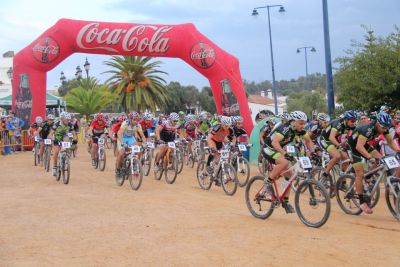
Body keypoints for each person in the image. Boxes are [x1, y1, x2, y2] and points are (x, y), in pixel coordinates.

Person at [261, 111, 315, 213]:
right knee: (284, 162)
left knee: (290, 175)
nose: (303, 125)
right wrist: (284, 153)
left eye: (304, 123)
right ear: (293, 122)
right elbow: (275, 142)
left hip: (278, 149)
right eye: (301, 123)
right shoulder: (285, 128)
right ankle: (267, 183)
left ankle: (285, 201)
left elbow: (308, 141)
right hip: (269, 148)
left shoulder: (300, 130)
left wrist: (313, 152)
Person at [347, 111, 400, 214]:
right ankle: (362, 201)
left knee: (381, 159)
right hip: (353, 146)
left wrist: (398, 150)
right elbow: (358, 147)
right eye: (383, 127)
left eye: (386, 127)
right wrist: (370, 157)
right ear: (377, 123)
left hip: (363, 145)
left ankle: (368, 179)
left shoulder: (383, 128)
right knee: (360, 173)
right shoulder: (368, 129)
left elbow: (390, 142)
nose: (385, 130)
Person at [319, 110, 358, 181]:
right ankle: (325, 174)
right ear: (346, 120)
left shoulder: (350, 126)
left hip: (335, 140)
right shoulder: (338, 123)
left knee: (345, 158)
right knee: (337, 156)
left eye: (355, 121)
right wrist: (340, 146)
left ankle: (343, 181)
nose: (354, 123)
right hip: (325, 139)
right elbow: (331, 138)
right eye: (352, 121)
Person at [115, 112, 146, 177]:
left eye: (137, 120)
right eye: (134, 119)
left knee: (138, 150)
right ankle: (117, 169)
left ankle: (135, 163)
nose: (136, 121)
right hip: (122, 138)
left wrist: (145, 143)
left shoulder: (138, 125)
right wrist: (122, 143)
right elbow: (119, 133)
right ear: (130, 119)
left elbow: (142, 136)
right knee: (121, 153)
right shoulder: (125, 123)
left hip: (130, 138)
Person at [48, 112, 76, 176]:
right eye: (67, 119)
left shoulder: (70, 124)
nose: (68, 121)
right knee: (56, 152)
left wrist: (75, 139)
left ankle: (65, 153)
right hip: (57, 136)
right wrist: (52, 138)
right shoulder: (56, 124)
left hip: (64, 135)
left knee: (67, 139)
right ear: (62, 119)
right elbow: (50, 134)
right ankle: (54, 168)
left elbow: (74, 134)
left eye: (69, 119)